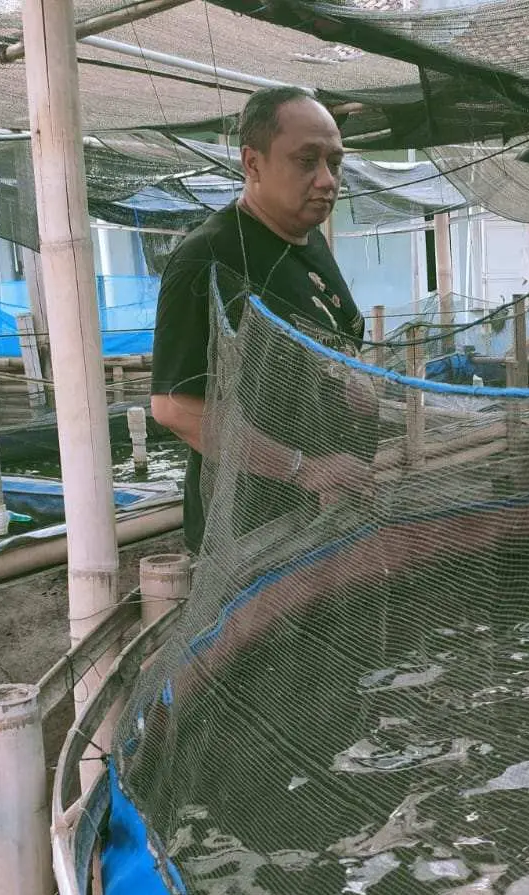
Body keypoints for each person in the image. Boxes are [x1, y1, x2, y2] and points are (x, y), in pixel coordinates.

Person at [151, 87, 376, 554]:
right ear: (252, 163)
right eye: (306, 161)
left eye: (334, 163)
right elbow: (176, 407)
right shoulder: (208, 257)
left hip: (332, 511)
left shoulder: (310, 240)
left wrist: (358, 388)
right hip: (252, 535)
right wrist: (305, 469)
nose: (327, 180)